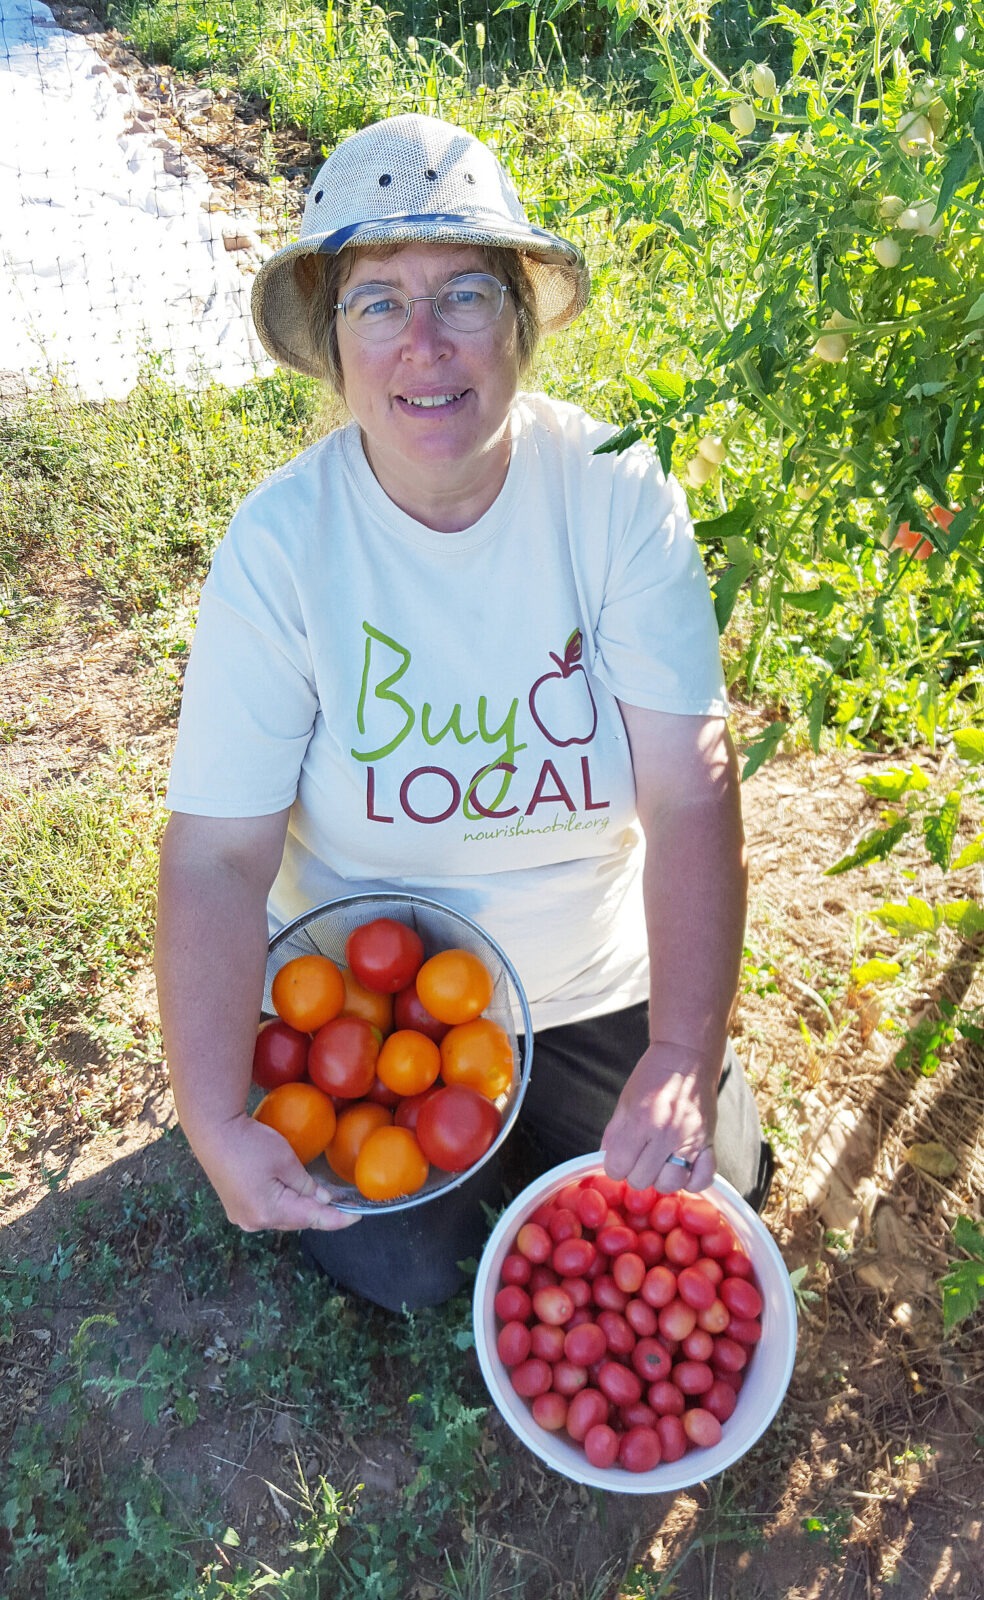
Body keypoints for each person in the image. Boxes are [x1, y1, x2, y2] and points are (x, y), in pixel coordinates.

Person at [155, 113, 772, 1312]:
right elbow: (221, 853)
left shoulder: (616, 496)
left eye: (467, 295)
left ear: (522, 327)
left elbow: (690, 784)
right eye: (378, 302)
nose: (424, 345)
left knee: (703, 1188)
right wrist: (213, 1115)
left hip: (590, 973)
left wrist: (683, 1052)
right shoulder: (283, 546)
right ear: (332, 347)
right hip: (375, 995)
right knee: (411, 1269)